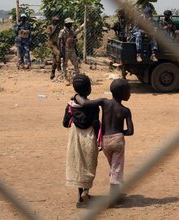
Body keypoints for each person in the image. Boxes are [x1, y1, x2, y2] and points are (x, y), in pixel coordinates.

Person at [75, 79, 134, 206]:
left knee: (114, 168)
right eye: (128, 91)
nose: (130, 94)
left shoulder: (104, 102)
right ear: (123, 93)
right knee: (116, 169)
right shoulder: (125, 110)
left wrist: (75, 96)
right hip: (117, 140)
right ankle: (113, 199)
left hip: (105, 140)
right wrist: (120, 133)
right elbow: (130, 131)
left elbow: (85, 103)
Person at [63, 75, 100, 208]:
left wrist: (73, 118)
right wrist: (99, 138)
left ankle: (80, 196)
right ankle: (86, 191)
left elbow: (65, 123)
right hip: (89, 136)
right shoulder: (94, 106)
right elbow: (96, 123)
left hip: (75, 137)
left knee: (78, 164)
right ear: (89, 89)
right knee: (89, 163)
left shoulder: (70, 105)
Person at [59, 18, 83, 85]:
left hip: (72, 49)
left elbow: (74, 41)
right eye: (69, 23)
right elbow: (60, 41)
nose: (71, 24)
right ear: (66, 24)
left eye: (71, 23)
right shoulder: (62, 31)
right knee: (64, 64)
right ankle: (65, 78)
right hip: (65, 49)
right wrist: (61, 51)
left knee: (76, 64)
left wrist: (76, 50)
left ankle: (77, 78)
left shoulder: (72, 31)